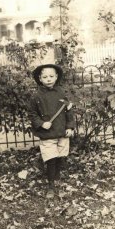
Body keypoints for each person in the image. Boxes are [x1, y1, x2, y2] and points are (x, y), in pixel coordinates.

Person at [28, 64, 75, 198]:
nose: (48, 79)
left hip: (62, 131)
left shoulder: (61, 93)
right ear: (40, 79)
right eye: (45, 77)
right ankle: (51, 185)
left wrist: (70, 127)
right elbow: (32, 114)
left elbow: (68, 111)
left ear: (56, 77)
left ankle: (57, 179)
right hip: (47, 133)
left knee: (60, 157)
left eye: (51, 76)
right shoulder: (36, 96)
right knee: (51, 159)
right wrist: (42, 124)